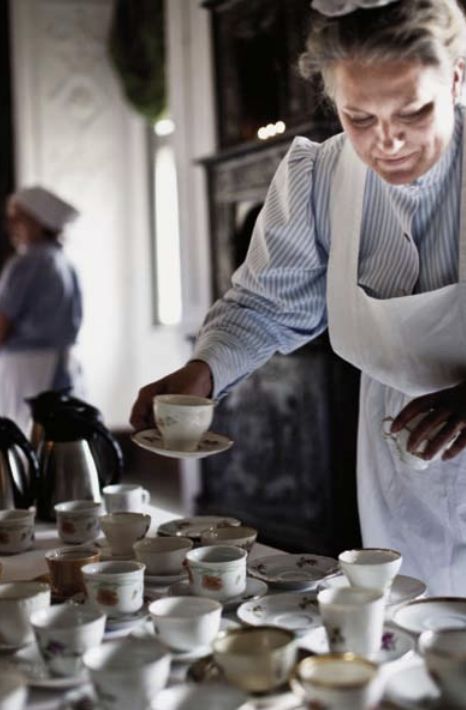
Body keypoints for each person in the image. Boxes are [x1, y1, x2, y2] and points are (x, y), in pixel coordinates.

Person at [131, 0, 466, 595]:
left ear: (458, 78)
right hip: (394, 453)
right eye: (359, 117)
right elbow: (266, 303)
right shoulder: (321, 176)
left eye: (413, 111)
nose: (388, 141)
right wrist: (203, 371)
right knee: (411, 615)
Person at [0, 186, 83, 434]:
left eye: (17, 217)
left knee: (23, 436)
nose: (10, 225)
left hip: (27, 368)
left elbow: (3, 323)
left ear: (38, 221)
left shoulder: (28, 262)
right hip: (58, 364)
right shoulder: (61, 260)